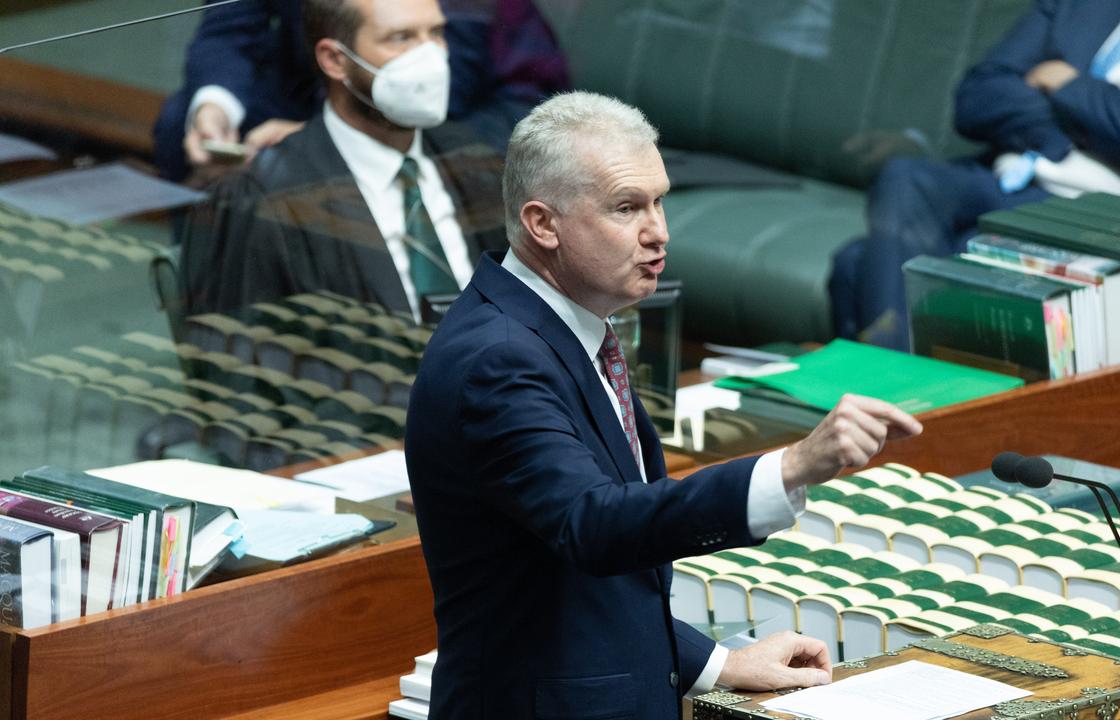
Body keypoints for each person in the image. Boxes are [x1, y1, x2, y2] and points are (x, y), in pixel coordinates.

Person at [405, 91, 924, 718]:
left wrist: (717, 665)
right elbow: (593, 526)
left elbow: (576, 583)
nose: (659, 232)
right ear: (543, 224)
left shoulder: (568, 330)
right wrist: (791, 466)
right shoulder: (500, 357)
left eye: (659, 201)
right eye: (627, 208)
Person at [828, 0, 1120, 351]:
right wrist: (1117, 112)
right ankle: (898, 400)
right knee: (906, 176)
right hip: (1018, 175)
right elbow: (977, 95)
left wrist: (1060, 81)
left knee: (862, 264)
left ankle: (886, 403)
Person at [178, 0, 509, 321]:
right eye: (401, 38)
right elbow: (245, 362)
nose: (430, 57)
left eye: (436, 33)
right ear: (335, 59)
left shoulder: (476, 165)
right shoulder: (262, 202)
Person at [153, 0, 569, 181]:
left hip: (473, 97)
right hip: (330, 77)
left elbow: (436, 75)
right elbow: (228, 25)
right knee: (180, 125)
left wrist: (324, 137)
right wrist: (216, 108)